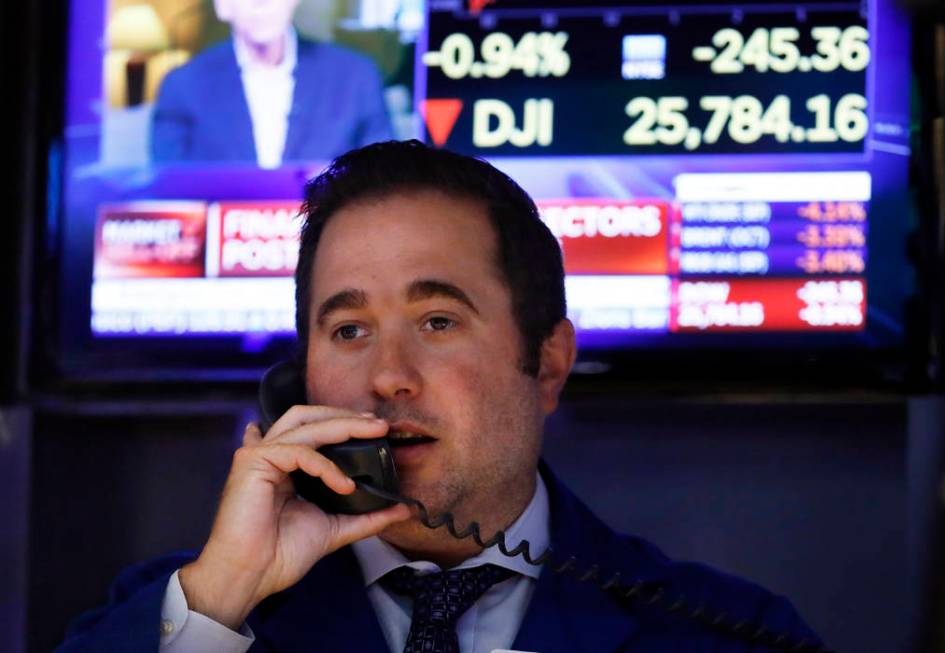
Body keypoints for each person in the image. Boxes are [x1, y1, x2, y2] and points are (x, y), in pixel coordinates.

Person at [56, 140, 824, 652]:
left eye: (437, 319)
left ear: (548, 361)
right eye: (349, 330)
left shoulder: (730, 631)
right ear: (300, 380)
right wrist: (224, 594)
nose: (387, 375)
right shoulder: (191, 611)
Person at [151, 0, 392, 167]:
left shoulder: (355, 77)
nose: (262, 2)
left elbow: (381, 181)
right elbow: (172, 191)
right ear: (222, 6)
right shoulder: (183, 86)